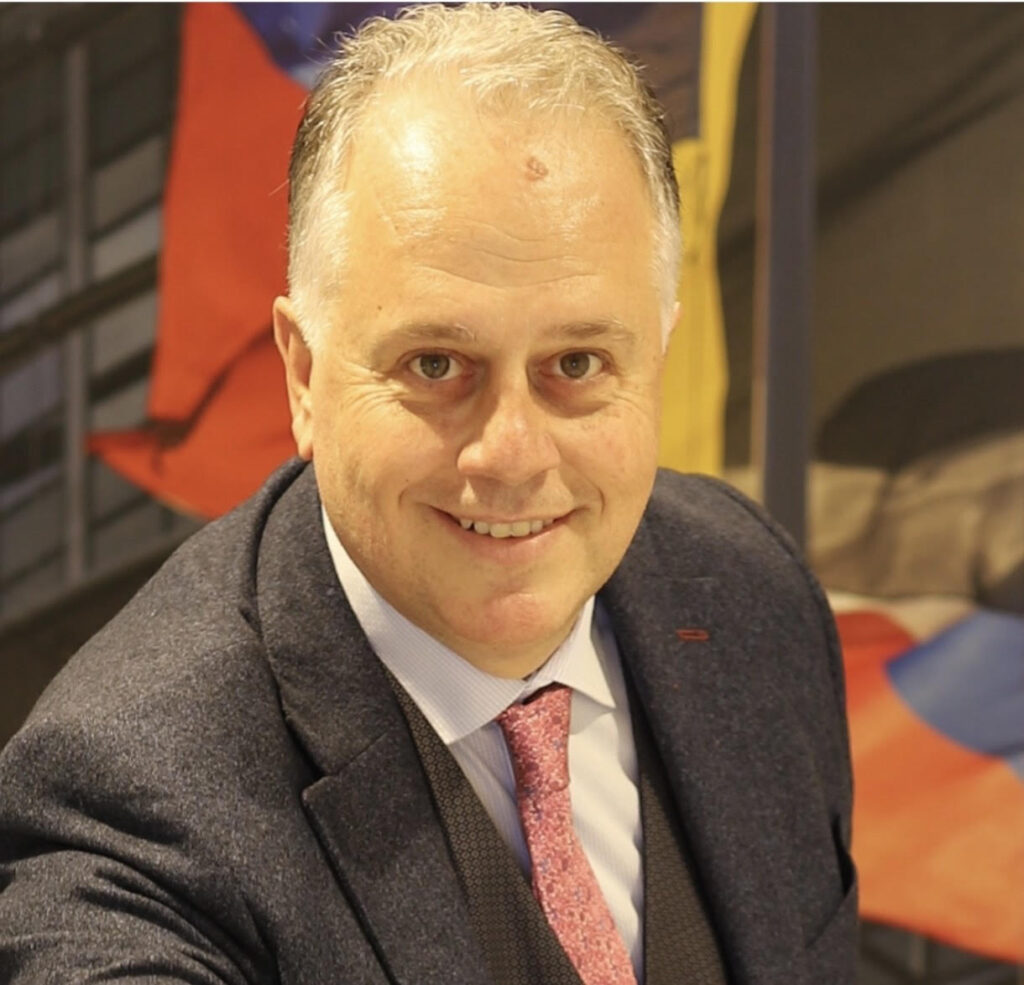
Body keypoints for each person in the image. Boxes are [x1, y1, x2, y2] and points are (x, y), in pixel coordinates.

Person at [0, 6, 856, 984]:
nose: (512, 454)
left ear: (657, 353)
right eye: (437, 363)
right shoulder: (126, 808)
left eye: (577, 362)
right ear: (303, 375)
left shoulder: (750, 593)